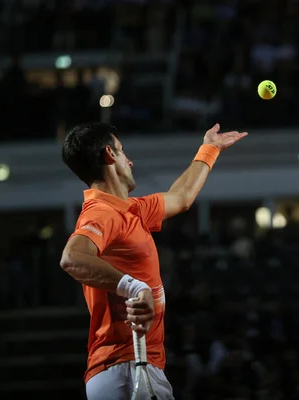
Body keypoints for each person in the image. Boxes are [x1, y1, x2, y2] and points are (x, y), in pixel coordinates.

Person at [59, 122, 247, 399]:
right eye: (123, 152)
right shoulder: (101, 213)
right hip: (125, 367)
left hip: (136, 367)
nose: (130, 160)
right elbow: (72, 258)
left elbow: (181, 197)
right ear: (110, 155)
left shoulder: (132, 210)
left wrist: (209, 149)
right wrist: (134, 287)